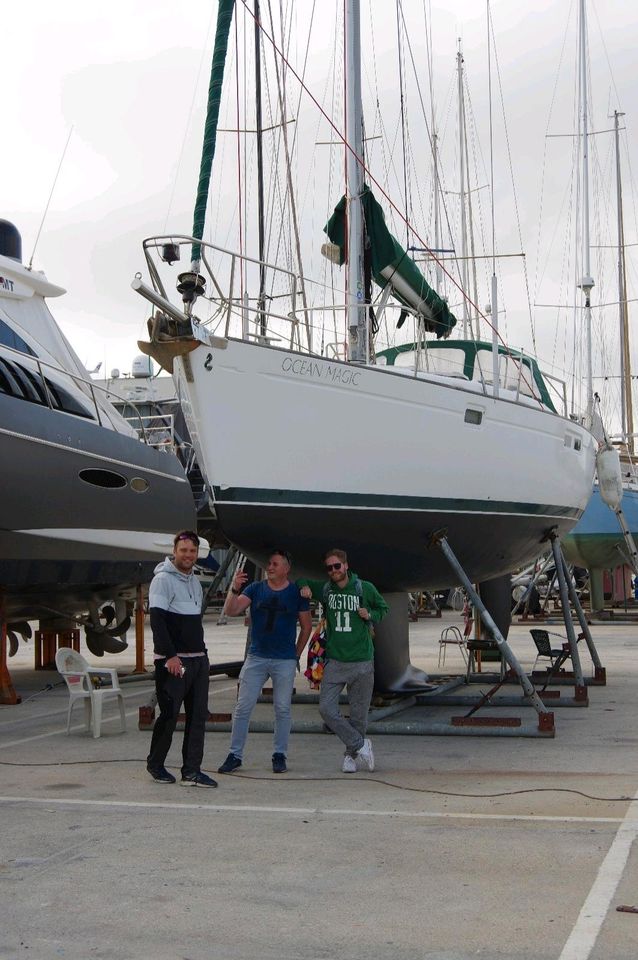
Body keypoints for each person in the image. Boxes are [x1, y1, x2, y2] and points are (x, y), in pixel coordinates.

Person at [218, 550, 312, 775]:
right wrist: (234, 589)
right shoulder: (255, 589)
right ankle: (235, 754)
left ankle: (280, 754)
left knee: (282, 708)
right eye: (268, 563)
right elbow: (232, 610)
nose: (269, 567)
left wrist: (295, 655)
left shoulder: (295, 593)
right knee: (243, 707)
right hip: (256, 657)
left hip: (284, 660)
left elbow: (307, 626)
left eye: (274, 564)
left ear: (286, 569)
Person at [298, 549, 388, 773]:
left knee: (359, 715)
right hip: (336, 661)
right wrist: (303, 586)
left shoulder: (364, 588)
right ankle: (360, 745)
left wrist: (371, 615)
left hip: (362, 662)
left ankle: (350, 756)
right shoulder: (326, 589)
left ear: (346, 566)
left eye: (337, 566)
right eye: (329, 568)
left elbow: (383, 608)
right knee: (326, 709)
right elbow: (300, 578)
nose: (333, 571)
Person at [146, 530, 217, 787]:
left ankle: (191, 771)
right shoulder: (162, 580)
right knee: (169, 715)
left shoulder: (195, 581)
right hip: (174, 662)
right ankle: (155, 765)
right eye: (184, 550)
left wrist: (203, 656)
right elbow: (158, 622)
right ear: (175, 551)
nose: (188, 555)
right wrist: (170, 656)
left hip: (198, 660)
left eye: (192, 551)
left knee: (197, 717)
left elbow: (193, 623)